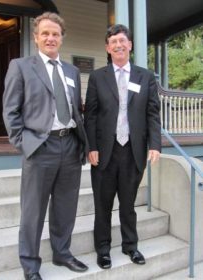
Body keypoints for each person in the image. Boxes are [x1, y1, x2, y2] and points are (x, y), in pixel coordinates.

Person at [3, 12, 89, 280]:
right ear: (36, 37)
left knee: (65, 206)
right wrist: (25, 143)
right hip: (40, 147)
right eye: (45, 34)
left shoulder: (72, 71)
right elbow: (11, 112)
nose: (51, 38)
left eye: (55, 34)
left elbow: (76, 109)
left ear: (62, 38)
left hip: (70, 146)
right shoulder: (21, 66)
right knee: (33, 211)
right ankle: (30, 266)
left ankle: (62, 253)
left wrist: (81, 144)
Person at [84, 24, 161, 270]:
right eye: (113, 41)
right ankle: (103, 250)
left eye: (122, 40)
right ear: (107, 48)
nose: (118, 45)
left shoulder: (145, 76)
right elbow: (91, 115)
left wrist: (155, 144)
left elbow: (152, 113)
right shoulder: (97, 77)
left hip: (133, 151)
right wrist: (91, 146)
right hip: (104, 153)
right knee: (102, 206)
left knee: (128, 205)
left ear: (130, 45)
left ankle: (131, 246)